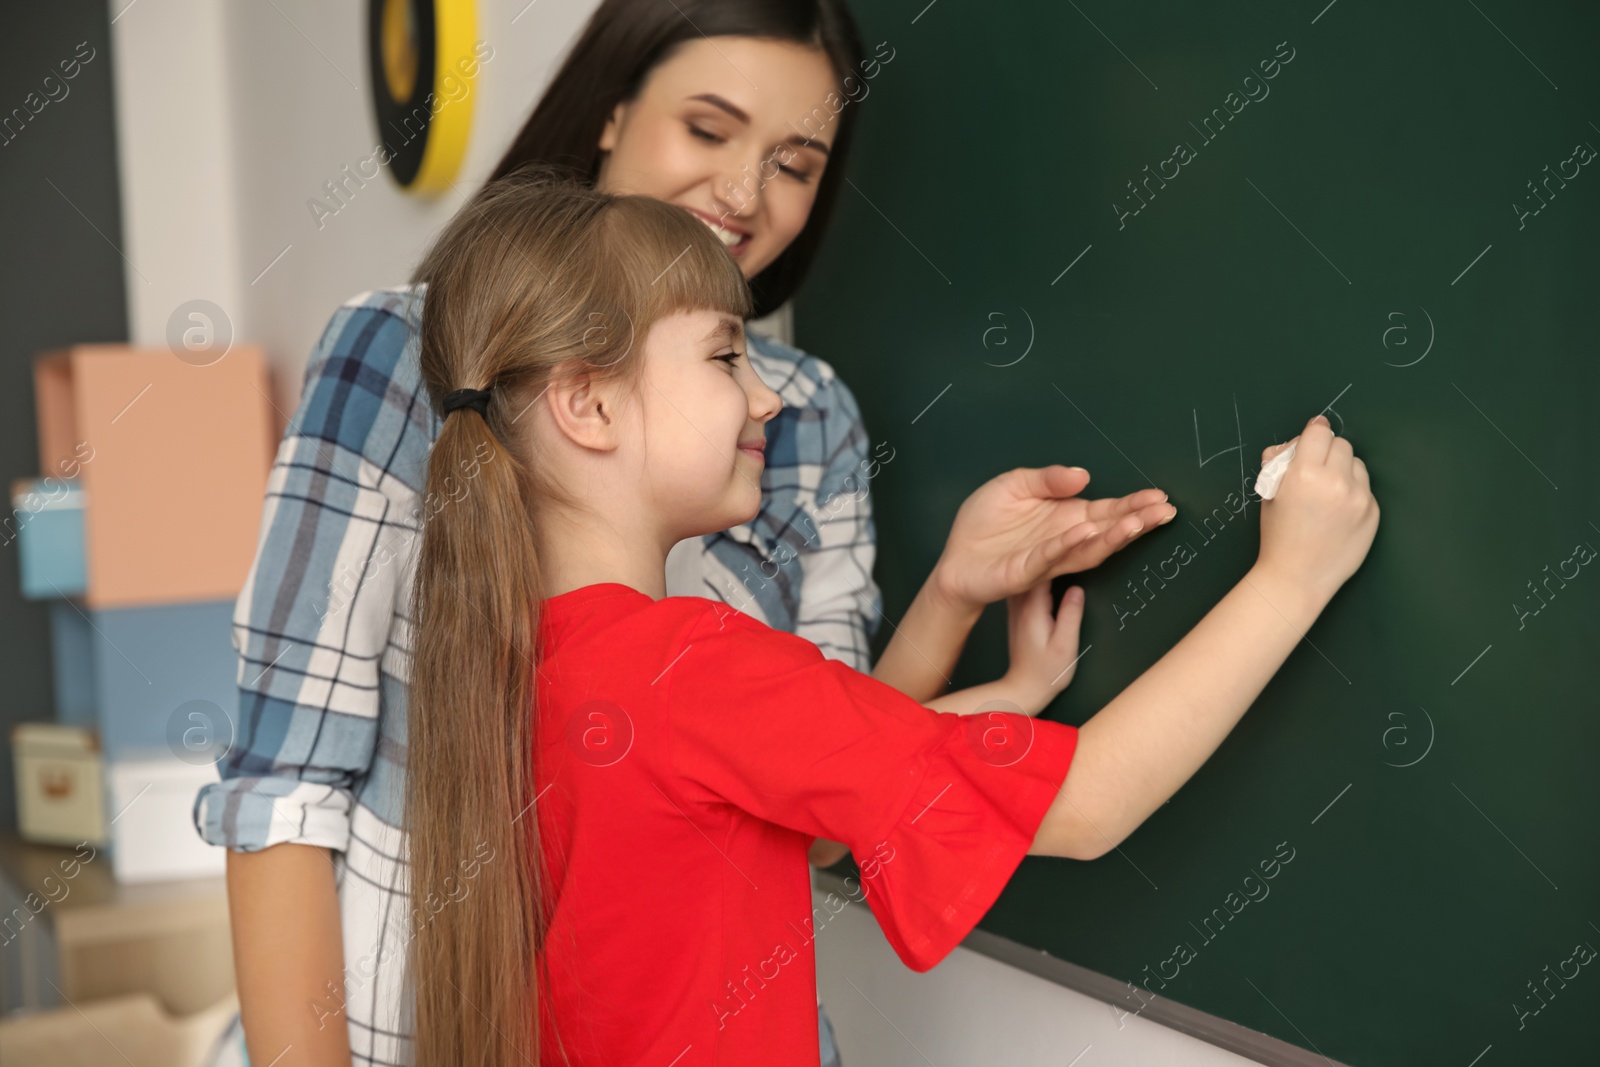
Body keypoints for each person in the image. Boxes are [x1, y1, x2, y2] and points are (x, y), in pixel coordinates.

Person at [195, 2, 1173, 1064]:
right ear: (610, 116)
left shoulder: (804, 413)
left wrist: (952, 595)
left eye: (795, 163)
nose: (744, 194)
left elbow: (817, 779)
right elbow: (282, 786)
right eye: (708, 132)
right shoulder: (404, 349)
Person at [400, 172, 1379, 1066]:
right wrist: (1292, 575)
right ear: (588, 404)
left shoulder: (534, 669)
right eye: (724, 353)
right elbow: (1085, 804)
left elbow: (787, 819)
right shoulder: (686, 666)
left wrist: (974, 631)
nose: (766, 392)